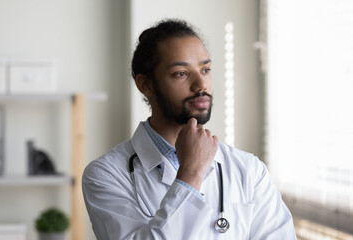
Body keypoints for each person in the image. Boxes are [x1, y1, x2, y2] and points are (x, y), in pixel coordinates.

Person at [82, 19, 296, 239]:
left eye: (205, 70)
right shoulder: (105, 174)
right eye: (181, 73)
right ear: (145, 84)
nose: (201, 85)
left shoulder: (249, 170)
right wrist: (190, 174)